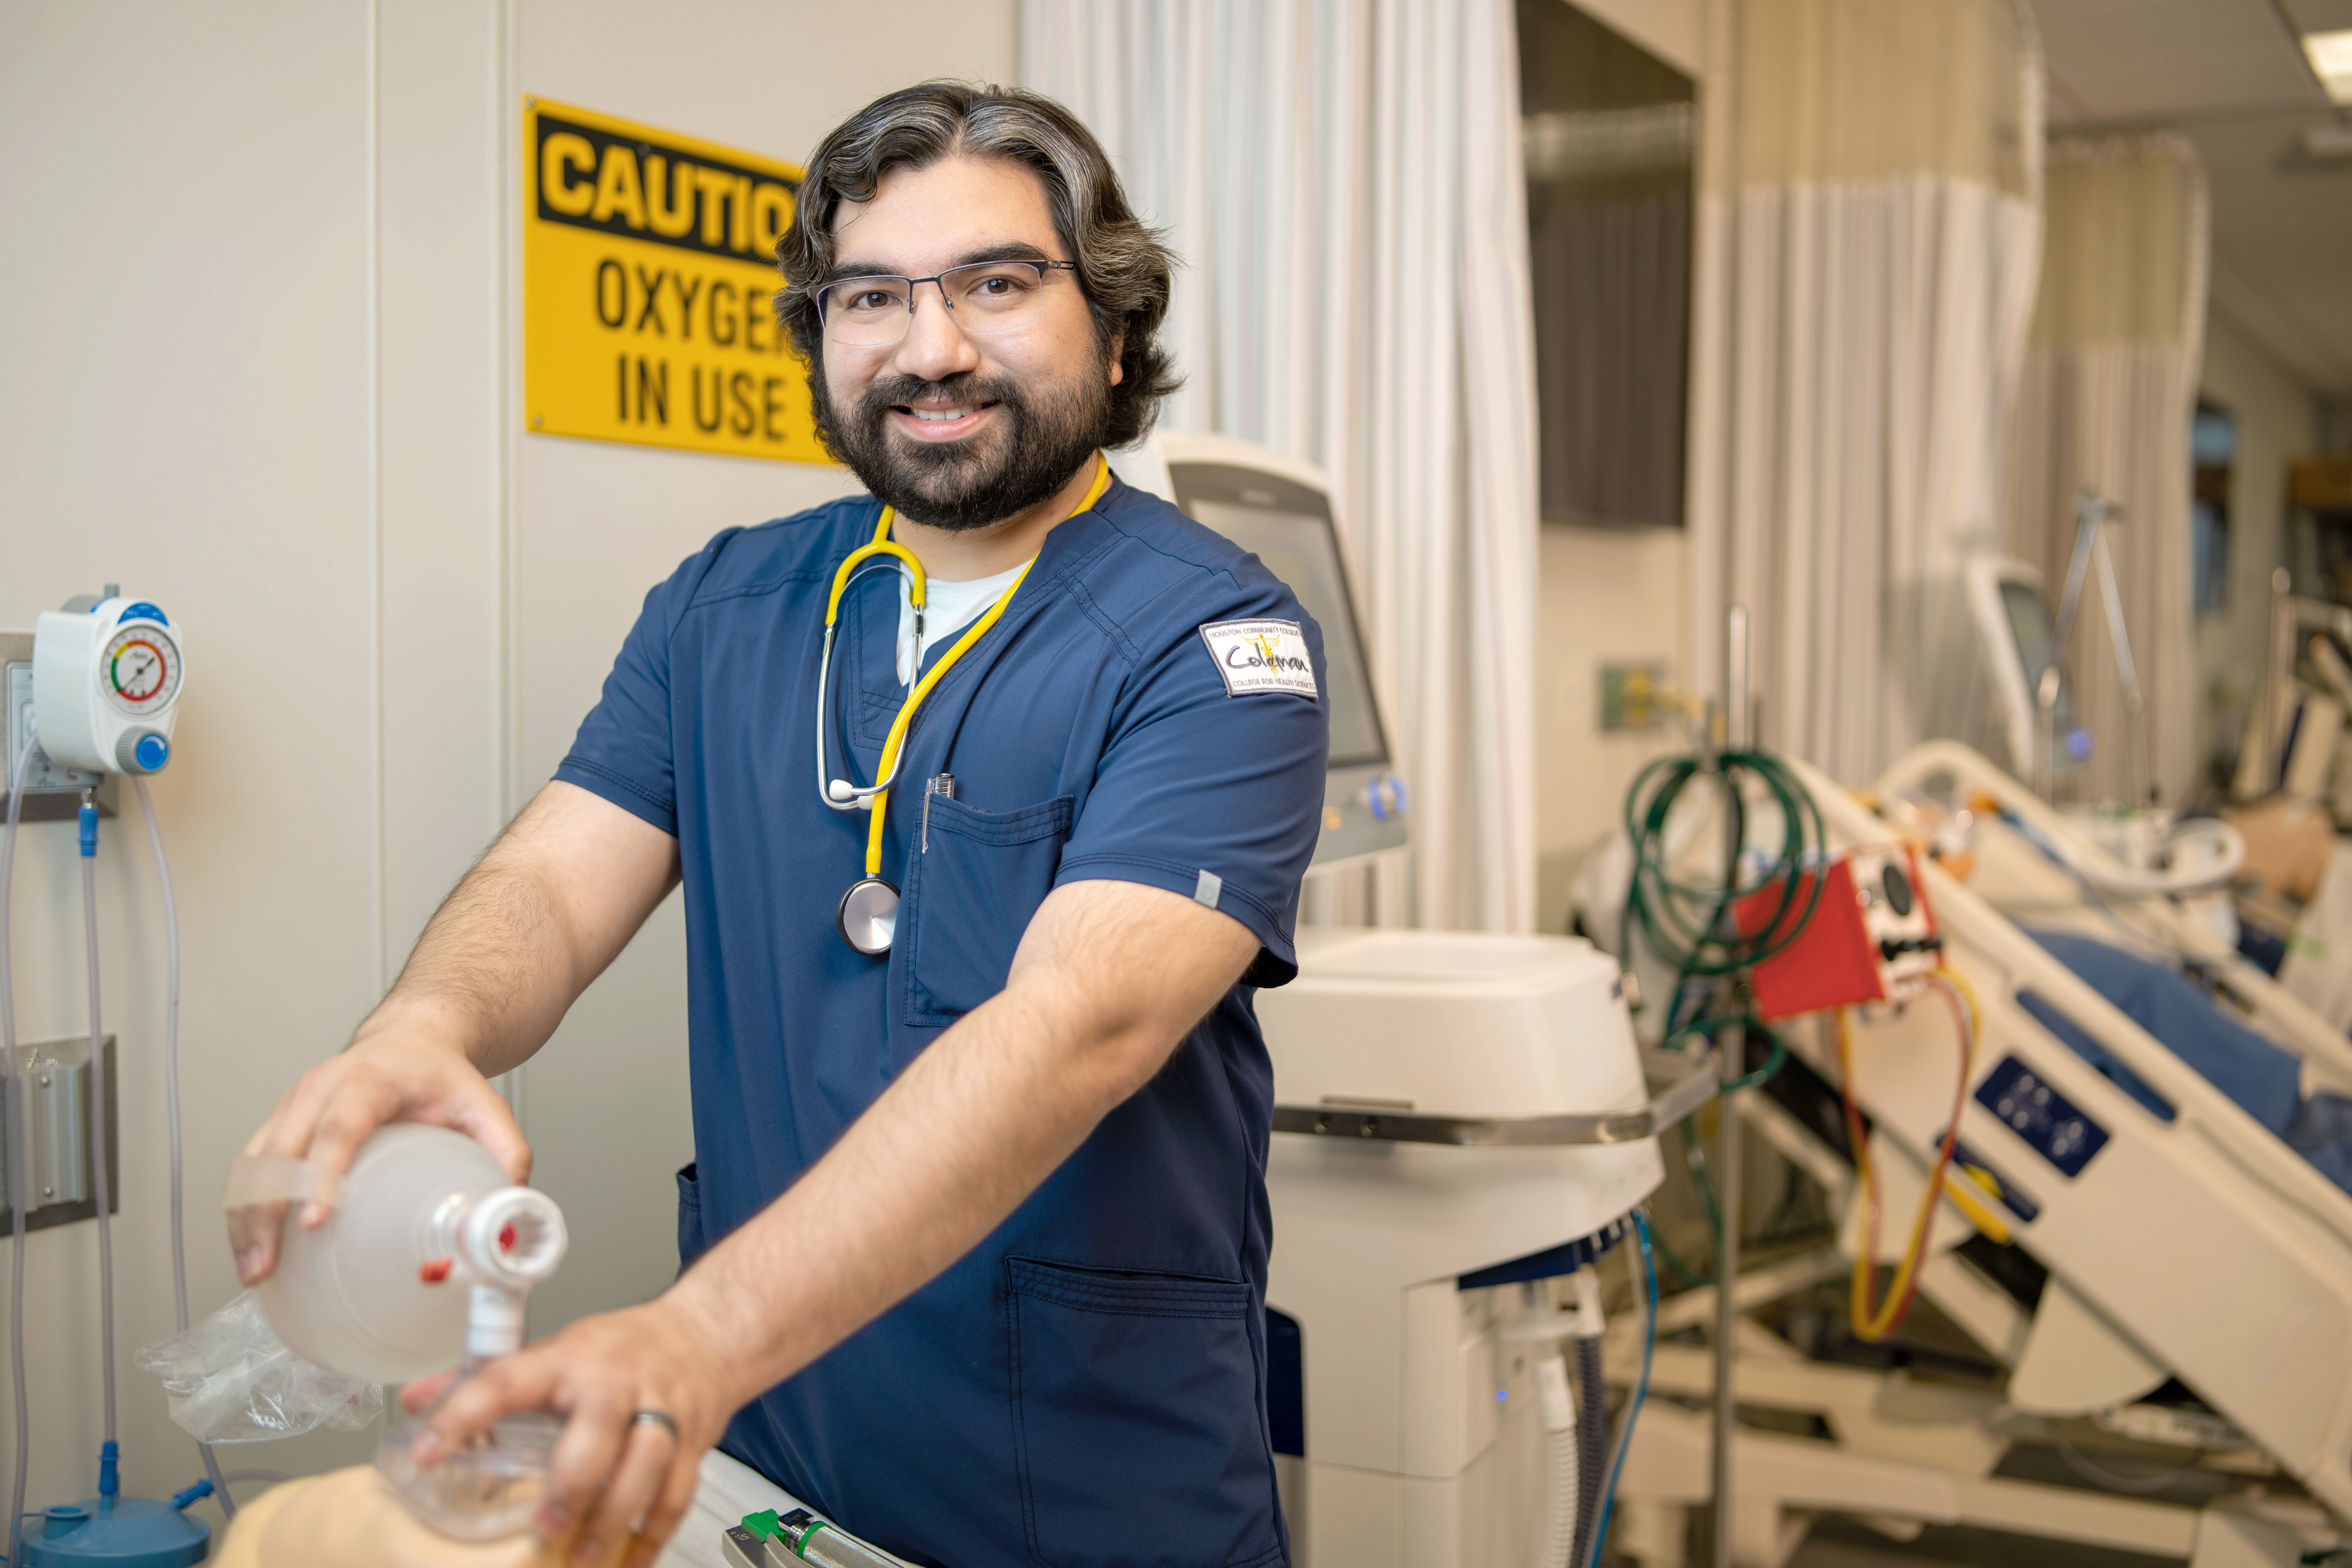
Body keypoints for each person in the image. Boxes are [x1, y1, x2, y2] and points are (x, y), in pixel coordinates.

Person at [232, 81, 1329, 1568]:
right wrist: (420, 1032)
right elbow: (554, 886)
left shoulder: (1214, 643)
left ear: (1116, 326)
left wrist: (695, 1338)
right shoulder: (725, 607)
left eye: (996, 284)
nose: (931, 347)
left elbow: (1079, 1028)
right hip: (772, 1477)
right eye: (871, 295)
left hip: (1092, 1496)